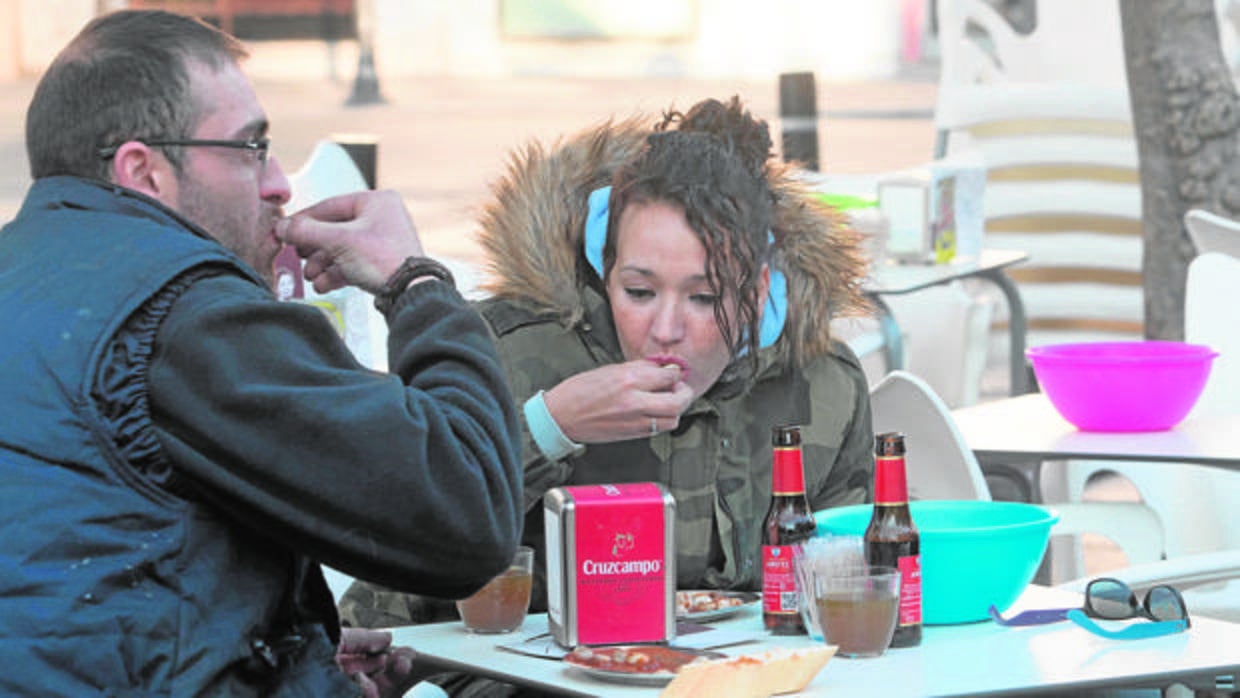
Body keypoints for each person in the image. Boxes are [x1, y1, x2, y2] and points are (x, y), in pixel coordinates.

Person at [0, 10, 523, 697]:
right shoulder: (184, 311)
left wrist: (295, 657)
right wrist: (414, 280)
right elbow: (468, 519)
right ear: (143, 170)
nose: (278, 182)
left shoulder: (25, 276)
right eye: (252, 147)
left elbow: (100, 580)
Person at [340, 96, 875, 655]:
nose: (665, 329)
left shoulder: (824, 384)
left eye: (704, 297)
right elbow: (394, 547)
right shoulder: (505, 352)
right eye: (638, 292)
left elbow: (853, 595)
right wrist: (550, 426)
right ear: (605, 266)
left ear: (759, 291)